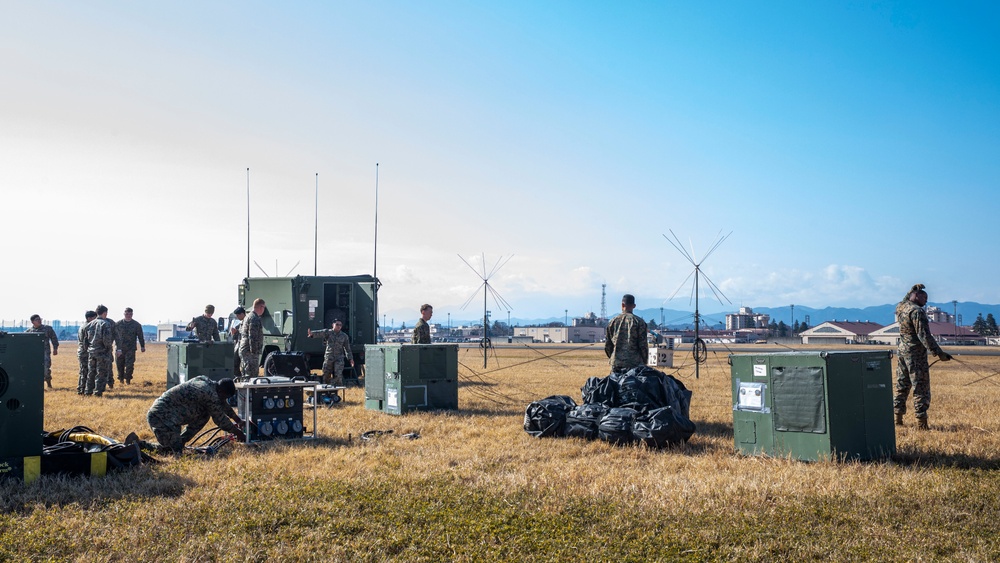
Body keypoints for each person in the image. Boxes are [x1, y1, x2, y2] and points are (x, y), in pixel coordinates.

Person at [894, 283, 952, 430]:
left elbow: (904, 299)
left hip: (902, 352)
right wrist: (939, 353)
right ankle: (922, 422)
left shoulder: (901, 307)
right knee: (920, 387)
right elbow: (924, 335)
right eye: (924, 297)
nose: (926, 301)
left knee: (902, 384)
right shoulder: (917, 311)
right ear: (917, 296)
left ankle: (897, 418)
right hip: (915, 354)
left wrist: (911, 290)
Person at [146, 376, 246, 453]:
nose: (224, 399)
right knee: (173, 451)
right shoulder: (208, 393)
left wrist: (238, 420)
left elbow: (222, 404)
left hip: (169, 418)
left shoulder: (209, 385)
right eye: (225, 396)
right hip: (160, 417)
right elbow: (219, 419)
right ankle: (141, 445)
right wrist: (238, 433)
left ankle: (181, 441)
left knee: (204, 416)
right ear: (221, 391)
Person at [605, 294, 649, 373]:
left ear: (622, 304)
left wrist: (613, 357)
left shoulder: (613, 322)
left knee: (615, 384)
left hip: (616, 363)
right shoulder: (639, 322)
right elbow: (643, 345)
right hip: (635, 364)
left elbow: (608, 345)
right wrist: (644, 361)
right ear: (634, 306)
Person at [307, 319, 354, 386]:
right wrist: (312, 334)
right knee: (326, 376)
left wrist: (350, 359)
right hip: (329, 357)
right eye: (337, 324)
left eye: (340, 325)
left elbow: (347, 349)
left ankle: (335, 389)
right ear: (333, 325)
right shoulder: (328, 332)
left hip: (339, 358)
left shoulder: (344, 336)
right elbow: (320, 333)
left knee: (338, 375)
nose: (339, 326)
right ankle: (326, 390)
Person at [87, 305, 116, 396]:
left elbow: (85, 339)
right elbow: (107, 339)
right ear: (104, 313)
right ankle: (98, 391)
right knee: (101, 372)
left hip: (92, 351)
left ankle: (88, 390)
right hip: (102, 352)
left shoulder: (90, 323)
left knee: (91, 372)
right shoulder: (105, 324)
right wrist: (108, 348)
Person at [25, 314, 59, 389]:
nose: (39, 321)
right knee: (35, 370)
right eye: (37, 320)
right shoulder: (29, 331)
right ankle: (38, 386)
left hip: (45, 353)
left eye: (40, 319)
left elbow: (54, 338)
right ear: (32, 322)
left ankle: (49, 384)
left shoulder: (47, 329)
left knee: (46, 368)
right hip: (34, 354)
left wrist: (55, 348)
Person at [115, 307, 146, 385]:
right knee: (120, 365)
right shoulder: (118, 324)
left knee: (129, 365)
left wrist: (142, 346)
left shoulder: (136, 325)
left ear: (132, 314)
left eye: (130, 314)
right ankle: (121, 379)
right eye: (127, 314)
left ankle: (128, 379)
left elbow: (140, 336)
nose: (128, 315)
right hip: (120, 348)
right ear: (124, 314)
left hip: (130, 349)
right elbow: (114, 335)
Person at [238, 299, 265, 379]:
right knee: (251, 376)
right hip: (250, 352)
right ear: (261, 307)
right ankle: (248, 391)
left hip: (245, 349)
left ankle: (245, 391)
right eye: (264, 307)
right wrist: (254, 352)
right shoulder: (254, 318)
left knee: (246, 374)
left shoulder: (248, 316)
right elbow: (252, 337)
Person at [76, 310, 97, 395]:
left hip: (82, 351)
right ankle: (82, 389)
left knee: (83, 371)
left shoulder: (83, 326)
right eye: (94, 318)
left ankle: (82, 388)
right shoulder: (88, 327)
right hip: (85, 352)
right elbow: (86, 342)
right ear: (89, 318)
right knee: (85, 372)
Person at [230, 306, 246, 377]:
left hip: (245, 346)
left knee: (244, 365)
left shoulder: (247, 322)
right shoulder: (239, 324)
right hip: (239, 345)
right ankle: (237, 376)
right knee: (234, 362)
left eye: (238, 315)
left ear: (242, 314)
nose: (237, 317)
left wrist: (237, 331)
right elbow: (235, 337)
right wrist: (234, 333)